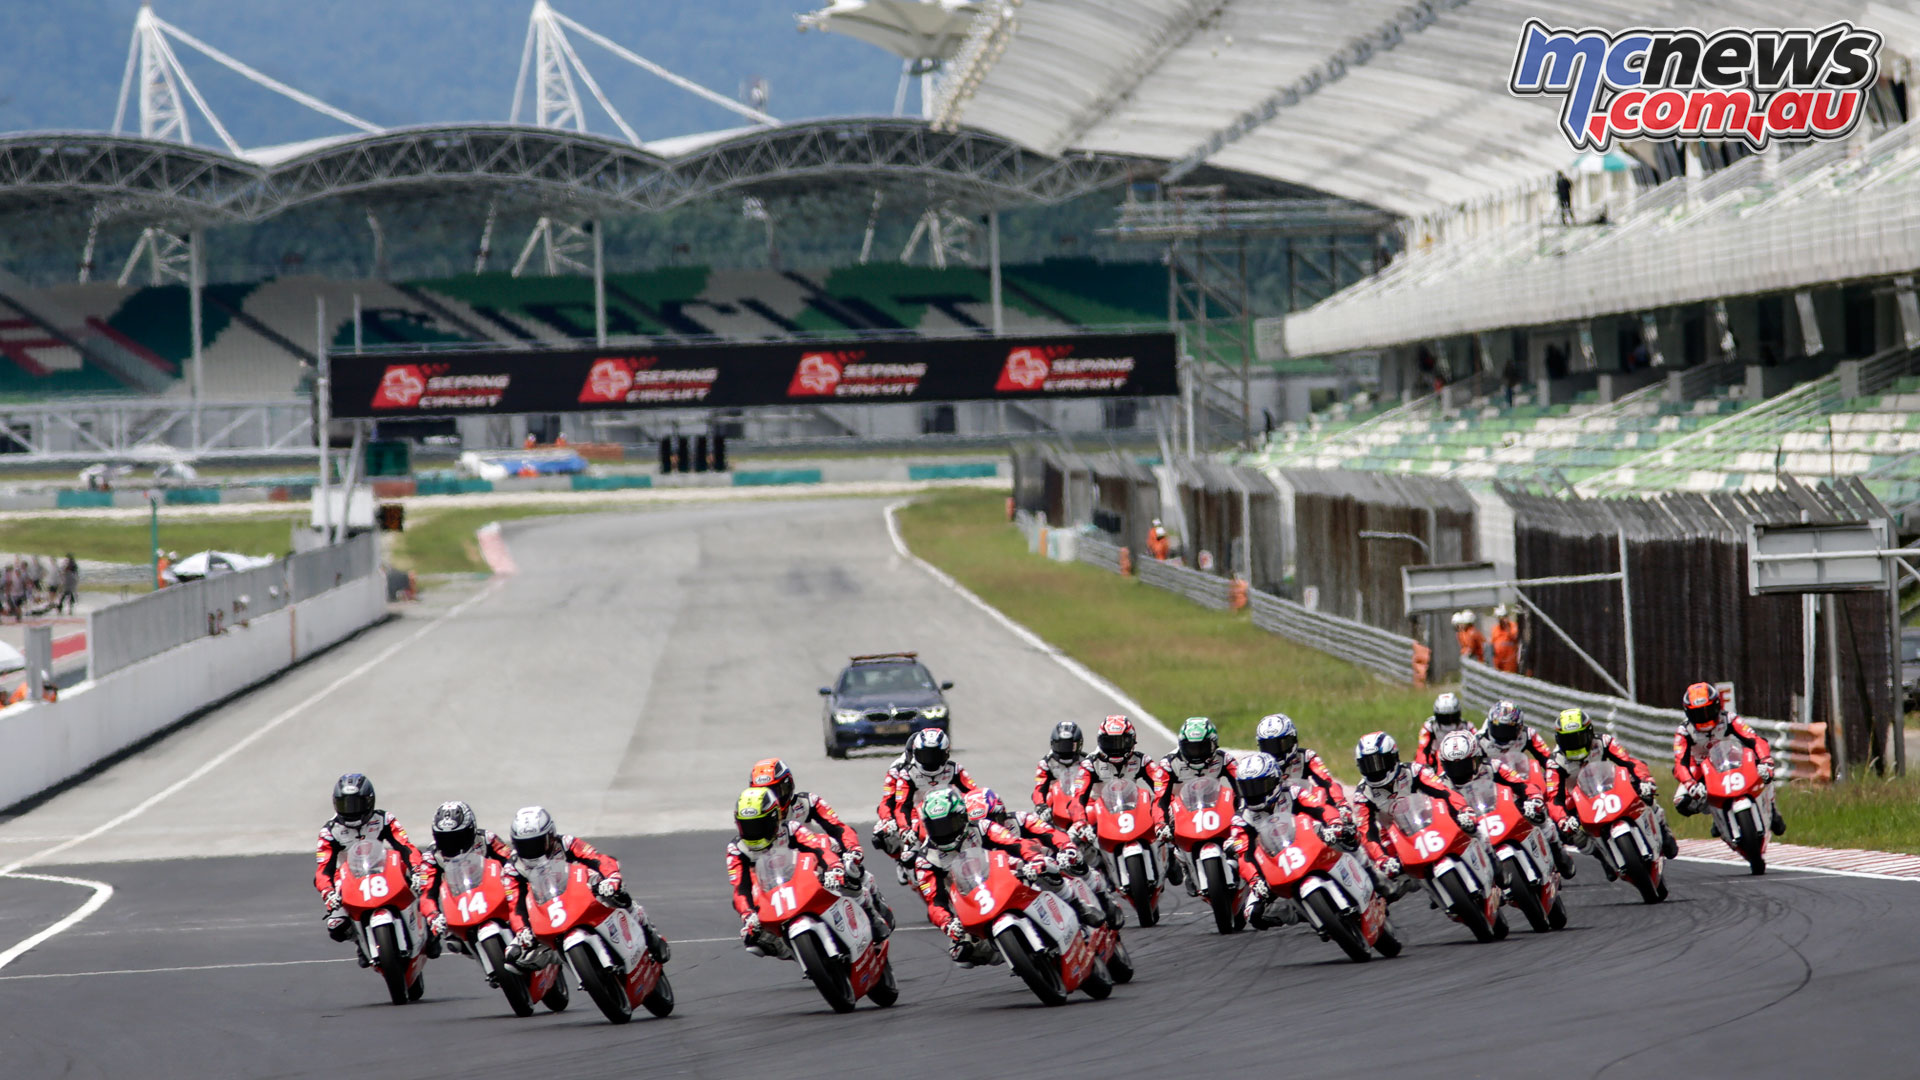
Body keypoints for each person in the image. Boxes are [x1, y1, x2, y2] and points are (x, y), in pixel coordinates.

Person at [503, 806, 670, 967]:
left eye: (537, 843)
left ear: (551, 835)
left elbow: (597, 858)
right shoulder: (513, 867)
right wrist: (522, 930)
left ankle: (650, 933)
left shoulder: (567, 843)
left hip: (581, 890)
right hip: (546, 907)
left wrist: (612, 879)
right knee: (514, 959)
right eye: (524, 845)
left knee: (618, 895)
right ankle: (554, 973)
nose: (531, 850)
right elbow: (515, 905)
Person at [909, 788, 1051, 966]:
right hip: (969, 899)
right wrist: (948, 923)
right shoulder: (925, 859)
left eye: (948, 824)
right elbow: (934, 902)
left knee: (1048, 872)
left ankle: (1078, 906)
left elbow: (1013, 843)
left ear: (962, 817)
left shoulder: (982, 827)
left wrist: (1034, 860)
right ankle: (1011, 955)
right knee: (961, 955)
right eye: (936, 827)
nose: (943, 832)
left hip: (1003, 876)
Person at [728, 787, 876, 957]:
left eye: (758, 825)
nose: (752, 832)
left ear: (773, 819)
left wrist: (833, 867)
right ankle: (795, 954)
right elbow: (740, 888)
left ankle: (869, 911)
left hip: (806, 878)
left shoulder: (791, 828)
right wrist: (748, 915)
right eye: (746, 826)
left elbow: (819, 847)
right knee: (754, 939)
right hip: (772, 893)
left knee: (847, 877)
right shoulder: (736, 849)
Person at [313, 773, 434, 960]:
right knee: (336, 926)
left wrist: (417, 870)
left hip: (385, 869)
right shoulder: (329, 832)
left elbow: (406, 847)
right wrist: (328, 893)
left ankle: (429, 929)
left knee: (421, 885)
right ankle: (359, 941)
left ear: (369, 801)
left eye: (357, 804)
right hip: (348, 878)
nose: (351, 811)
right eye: (345, 805)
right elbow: (323, 870)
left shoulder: (385, 819)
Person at [1544, 709, 1677, 875]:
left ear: (1589, 733)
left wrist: (1645, 780)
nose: (1575, 744)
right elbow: (1553, 798)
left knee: (1644, 791)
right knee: (1570, 834)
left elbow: (1629, 762)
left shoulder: (1603, 742)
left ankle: (1662, 827)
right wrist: (1563, 819)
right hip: (1578, 800)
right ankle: (1600, 855)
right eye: (1568, 740)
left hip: (1610, 786)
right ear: (1559, 740)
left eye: (1579, 738)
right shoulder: (1555, 762)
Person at [1229, 752, 1351, 928]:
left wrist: (1335, 823)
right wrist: (1255, 881)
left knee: (1347, 839)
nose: (1254, 793)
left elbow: (1319, 807)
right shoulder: (1242, 819)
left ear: (1275, 780)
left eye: (1259, 786)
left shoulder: (1293, 792)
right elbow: (1244, 856)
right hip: (1274, 863)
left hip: (1308, 843)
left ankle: (1368, 883)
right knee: (1253, 914)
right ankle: (1300, 912)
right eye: (1248, 788)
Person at [961, 788, 1110, 927]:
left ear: (1002, 812)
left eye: (992, 819)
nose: (989, 826)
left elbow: (1050, 833)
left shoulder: (1020, 819)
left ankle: (1085, 904)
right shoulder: (971, 839)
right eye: (980, 823)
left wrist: (1066, 848)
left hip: (1038, 863)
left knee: (1065, 862)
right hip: (1002, 881)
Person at [1348, 732, 1472, 885]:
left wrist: (1463, 809)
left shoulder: (1414, 771)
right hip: (1396, 839)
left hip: (1432, 822)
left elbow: (1445, 792)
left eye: (1379, 763)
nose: (1374, 770)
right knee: (1386, 880)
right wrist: (1382, 859)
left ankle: (1489, 861)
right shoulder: (1362, 795)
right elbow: (1367, 832)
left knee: (1470, 830)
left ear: (1393, 757)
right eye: (1368, 765)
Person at [1671, 682, 1785, 836]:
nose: (1705, 718)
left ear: (1717, 706)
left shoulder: (1729, 719)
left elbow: (1755, 739)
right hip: (1700, 768)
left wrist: (1766, 761)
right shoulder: (1684, 731)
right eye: (1698, 714)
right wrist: (1691, 784)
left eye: (1708, 711)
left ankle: (1771, 808)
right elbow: (1680, 763)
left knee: (1764, 771)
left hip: (1730, 759)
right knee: (1681, 802)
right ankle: (1717, 814)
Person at [1480, 700, 1578, 876]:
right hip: (1493, 790)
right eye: (1498, 728)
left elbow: (1547, 760)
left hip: (1520, 780)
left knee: (1542, 811)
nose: (1503, 735)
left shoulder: (1528, 735)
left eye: (1508, 730)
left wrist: (1551, 782)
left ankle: (1557, 851)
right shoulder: (1479, 741)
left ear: (1518, 728)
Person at [414, 800, 519, 953]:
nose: (452, 843)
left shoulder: (486, 840)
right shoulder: (432, 854)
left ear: (471, 830)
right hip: (459, 901)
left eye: (458, 837)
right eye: (444, 838)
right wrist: (433, 916)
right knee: (450, 939)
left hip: (493, 892)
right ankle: (431, 940)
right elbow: (427, 892)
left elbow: (511, 862)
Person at [875, 727, 977, 874]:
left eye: (935, 755)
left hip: (949, 810)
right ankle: (905, 863)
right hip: (918, 815)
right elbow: (899, 805)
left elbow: (974, 793)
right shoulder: (903, 773)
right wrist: (902, 827)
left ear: (946, 753)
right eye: (925, 755)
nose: (930, 760)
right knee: (890, 841)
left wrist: (978, 811)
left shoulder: (954, 769)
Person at [749, 757, 860, 854]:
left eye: (776, 792)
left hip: (812, 867)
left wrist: (853, 849)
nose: (772, 800)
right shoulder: (749, 819)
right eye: (764, 795)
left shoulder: (808, 802)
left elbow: (839, 827)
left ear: (788, 785)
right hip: (771, 871)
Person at [1434, 730, 1545, 825]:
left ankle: (1557, 846)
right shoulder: (1440, 784)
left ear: (1476, 758)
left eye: (1464, 765)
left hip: (1505, 819)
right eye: (1451, 766)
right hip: (1472, 834)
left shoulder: (1494, 767)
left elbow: (1522, 785)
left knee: (1545, 824)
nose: (1458, 772)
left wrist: (1534, 798)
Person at [1256, 713, 1347, 803]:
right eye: (1268, 746)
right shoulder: (1257, 768)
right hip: (1274, 814)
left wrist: (1341, 803)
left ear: (1292, 739)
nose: (1274, 752)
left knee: (1324, 791)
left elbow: (1327, 781)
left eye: (1280, 745)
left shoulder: (1307, 757)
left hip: (1306, 809)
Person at [1030, 720, 1085, 824]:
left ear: (1079, 744)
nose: (1065, 750)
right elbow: (1039, 787)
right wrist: (1041, 805)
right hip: (1054, 805)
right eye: (1061, 745)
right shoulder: (1046, 763)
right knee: (1035, 822)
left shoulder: (1086, 762)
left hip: (1078, 803)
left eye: (1070, 746)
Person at [1414, 691, 1472, 771]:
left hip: (1462, 761)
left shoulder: (1467, 726)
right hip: (1435, 765)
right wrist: (1424, 768)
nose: (1448, 721)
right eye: (1444, 717)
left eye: (1452, 716)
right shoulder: (1429, 727)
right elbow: (1422, 750)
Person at [1489, 605, 1521, 673]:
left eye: (1503, 617)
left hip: (1509, 660)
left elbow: (1515, 637)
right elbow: (1492, 644)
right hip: (1498, 660)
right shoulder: (1495, 629)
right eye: (1499, 618)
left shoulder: (1513, 626)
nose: (1501, 620)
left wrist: (1507, 627)